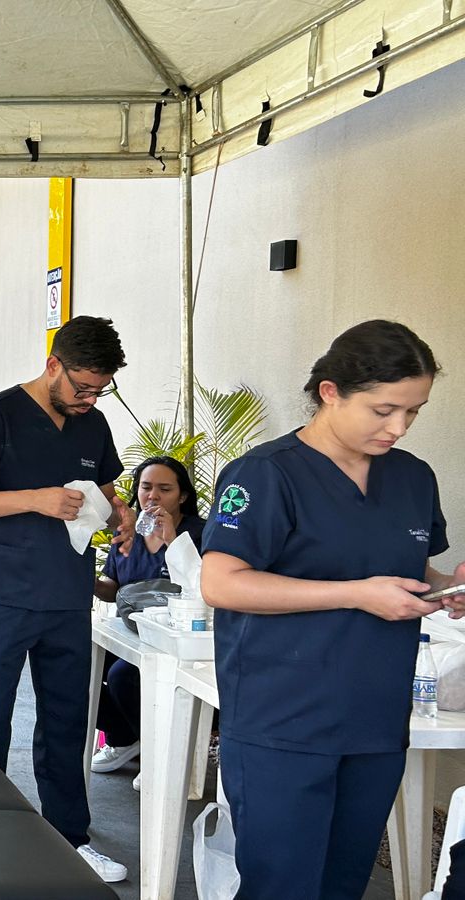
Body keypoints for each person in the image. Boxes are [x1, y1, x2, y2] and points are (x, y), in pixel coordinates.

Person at [201, 320, 465, 900]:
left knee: (343, 884)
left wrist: (447, 586)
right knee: (282, 885)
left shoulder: (412, 477)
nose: (398, 427)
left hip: (375, 719)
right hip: (283, 720)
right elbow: (221, 583)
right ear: (330, 392)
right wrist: (354, 593)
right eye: (383, 410)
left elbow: (405, 566)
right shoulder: (266, 474)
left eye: (414, 412)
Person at [0, 315, 133, 883]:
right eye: (82, 387)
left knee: (67, 722)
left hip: (67, 596)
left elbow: (103, 492)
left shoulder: (92, 424)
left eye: (101, 389)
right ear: (52, 365)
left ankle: (70, 837)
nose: (90, 399)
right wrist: (33, 500)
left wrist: (119, 515)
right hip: (2, 594)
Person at [90, 455, 206, 786]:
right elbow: (114, 588)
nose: (153, 496)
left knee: (123, 675)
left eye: (164, 489)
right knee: (75, 663)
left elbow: (203, 587)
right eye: (146, 487)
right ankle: (124, 738)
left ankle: (161, 754)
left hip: (179, 638)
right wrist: (89, 581)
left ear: (182, 496)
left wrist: (172, 539)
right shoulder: (129, 533)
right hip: (132, 631)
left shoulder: (199, 533)